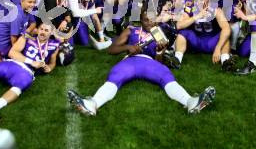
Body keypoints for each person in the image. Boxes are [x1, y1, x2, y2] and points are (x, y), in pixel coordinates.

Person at [67, 12, 216, 116]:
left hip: (149, 62)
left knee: (165, 74)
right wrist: (128, 47)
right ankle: (93, 104)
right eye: (146, 20)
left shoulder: (159, 34)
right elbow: (112, 50)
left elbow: (159, 62)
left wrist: (159, 53)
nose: (149, 22)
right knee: (115, 75)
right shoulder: (131, 30)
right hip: (130, 60)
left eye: (152, 19)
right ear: (141, 20)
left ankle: (190, 101)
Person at [174, 0, 234, 70]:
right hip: (197, 41)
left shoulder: (215, 8)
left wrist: (218, 48)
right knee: (182, 33)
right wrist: (197, 16)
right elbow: (179, 25)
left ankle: (225, 62)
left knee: (225, 35)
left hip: (212, 42)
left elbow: (226, 29)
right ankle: (177, 60)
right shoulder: (190, 7)